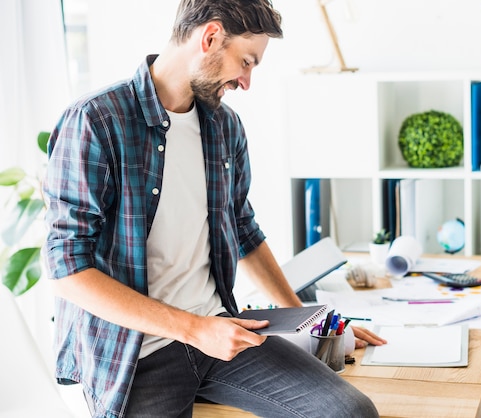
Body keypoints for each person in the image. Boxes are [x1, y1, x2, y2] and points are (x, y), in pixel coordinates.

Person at [43, 1, 385, 417]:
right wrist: (195, 330)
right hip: (137, 356)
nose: (246, 81)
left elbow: (243, 230)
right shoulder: (96, 122)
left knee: (349, 411)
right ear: (209, 38)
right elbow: (67, 271)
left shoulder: (225, 128)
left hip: (221, 333)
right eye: (246, 61)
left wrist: (317, 322)